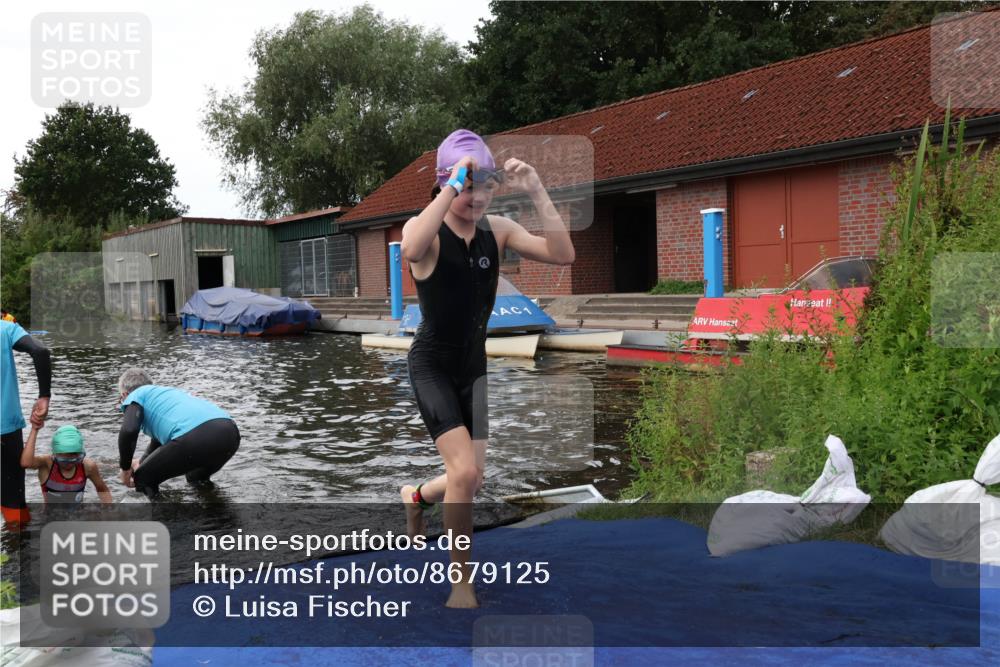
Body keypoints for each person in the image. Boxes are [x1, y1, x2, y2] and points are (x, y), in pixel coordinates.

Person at [399, 129, 575, 608]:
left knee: (470, 477)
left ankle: (415, 496)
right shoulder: (427, 230)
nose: (477, 197)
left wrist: (537, 190)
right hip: (432, 363)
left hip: (472, 367)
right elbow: (410, 249)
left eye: (486, 186)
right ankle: (461, 584)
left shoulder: (497, 231)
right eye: (467, 187)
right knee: (461, 471)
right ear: (445, 184)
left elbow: (563, 255)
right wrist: (453, 185)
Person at [116, 368, 240, 498]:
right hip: (230, 433)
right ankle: (217, 514)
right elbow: (158, 441)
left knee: (143, 478)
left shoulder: (135, 396)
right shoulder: (165, 394)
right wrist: (141, 462)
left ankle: (163, 516)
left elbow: (129, 430)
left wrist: (125, 469)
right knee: (196, 478)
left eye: (121, 400)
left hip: (197, 435)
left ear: (125, 395)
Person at [1, 319, 51, 525]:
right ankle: (15, 547)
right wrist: (44, 396)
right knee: (13, 501)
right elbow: (40, 352)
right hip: (5, 430)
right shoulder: (5, 329)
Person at [20, 424, 112, 505]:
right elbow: (26, 463)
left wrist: (108, 511)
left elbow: (102, 489)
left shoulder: (87, 466)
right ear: (55, 454)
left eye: (74, 460)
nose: (69, 464)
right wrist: (34, 430)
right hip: (51, 518)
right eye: (64, 460)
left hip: (78, 516)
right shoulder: (47, 464)